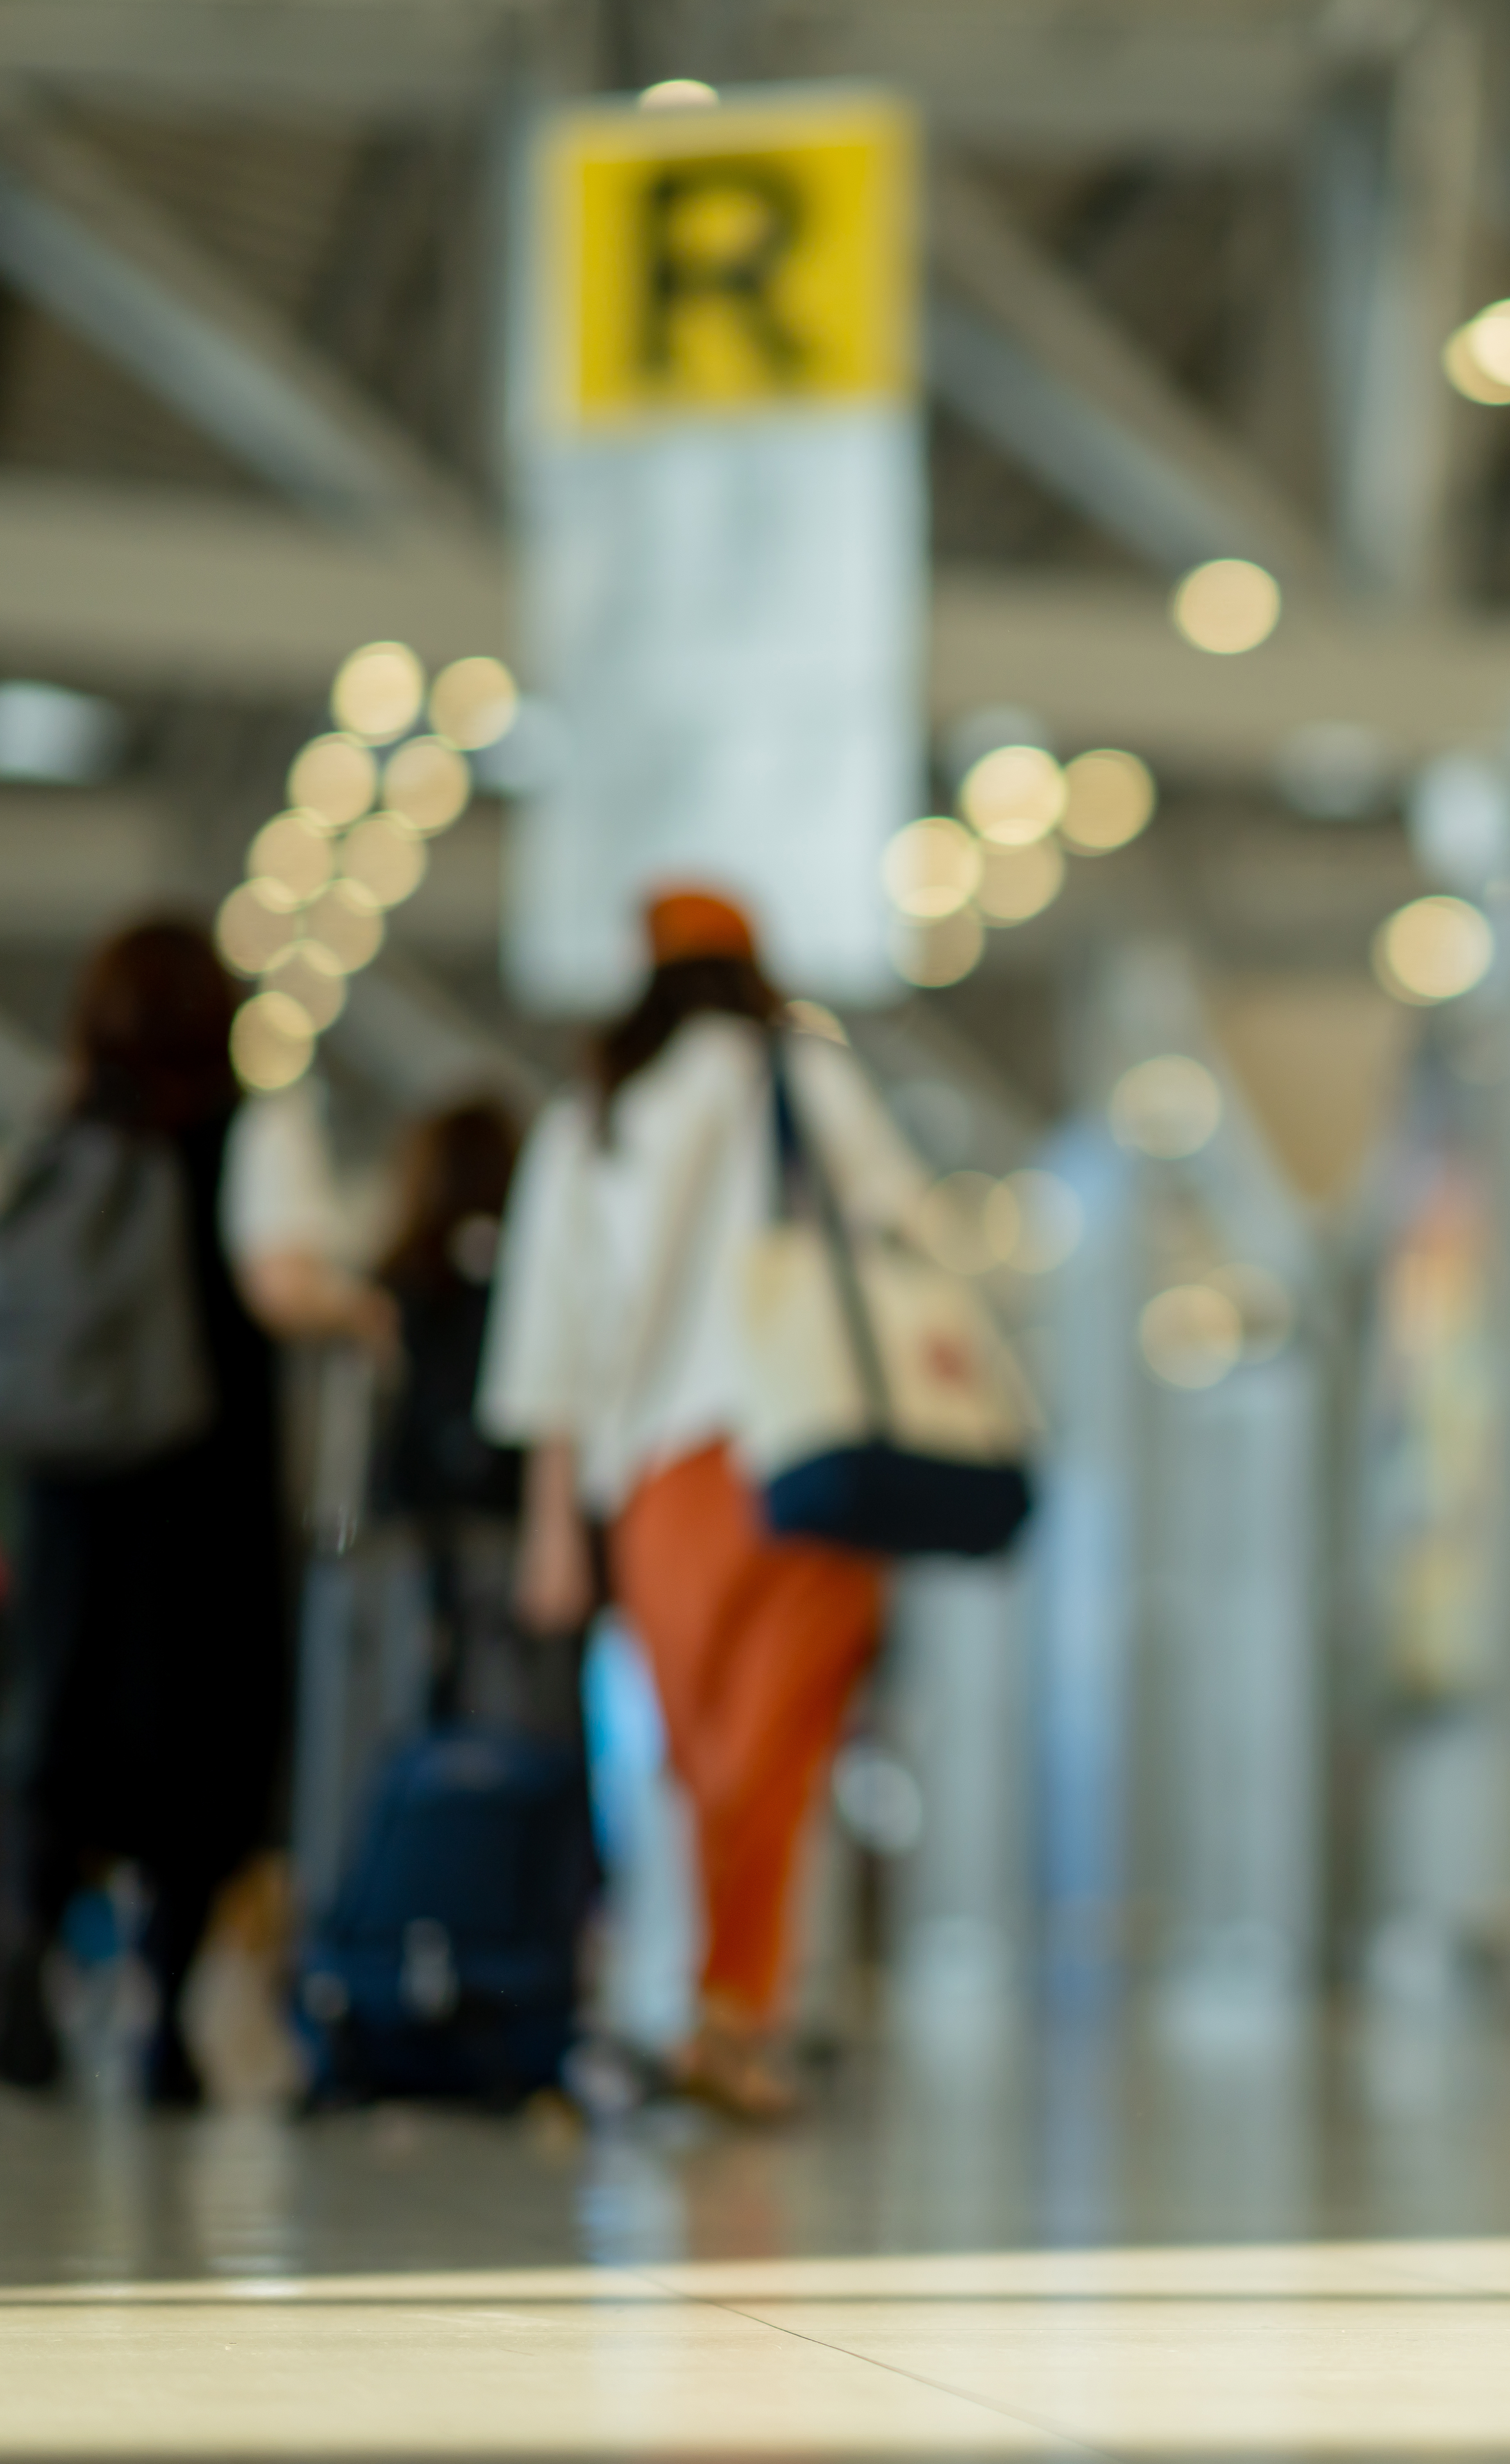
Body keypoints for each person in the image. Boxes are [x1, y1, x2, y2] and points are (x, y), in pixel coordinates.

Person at [481, 888, 889, 2120]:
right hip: (816, 1450)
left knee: (696, 1750)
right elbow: (901, 1224)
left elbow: (548, 1332)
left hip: (666, 1469)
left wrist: (557, 1523)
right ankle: (741, 2008)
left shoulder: (599, 1112)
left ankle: (712, 2001)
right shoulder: (809, 1075)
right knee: (783, 1747)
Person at [0, 918, 379, 2107]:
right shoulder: (254, 1125)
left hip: (66, 1484)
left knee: (61, 1713)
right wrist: (364, 1314)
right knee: (200, 1742)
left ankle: (24, 1955)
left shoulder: (64, 1136)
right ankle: (164, 2021)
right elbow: (279, 1283)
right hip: (203, 1486)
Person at [370, 1097, 565, 1734]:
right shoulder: (535, 1281)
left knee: (405, 1714)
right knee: (515, 1716)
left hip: (410, 1534)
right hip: (513, 1530)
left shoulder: (397, 1288)